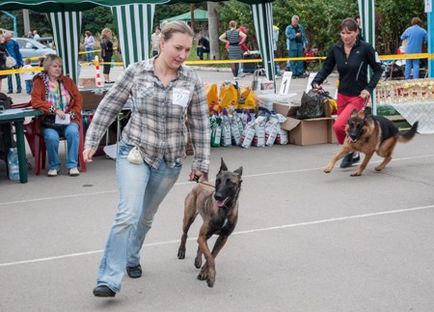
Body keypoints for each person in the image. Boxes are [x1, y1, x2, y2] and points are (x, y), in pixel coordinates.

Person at [83, 20, 210, 298]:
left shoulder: (192, 80)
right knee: (127, 213)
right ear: (161, 43)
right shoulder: (136, 72)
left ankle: (132, 256)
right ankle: (109, 279)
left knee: (145, 218)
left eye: (187, 50)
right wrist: (91, 140)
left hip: (170, 161)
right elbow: (109, 105)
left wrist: (201, 163)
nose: (182, 55)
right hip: (135, 153)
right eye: (178, 47)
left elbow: (200, 123)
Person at [311, 18, 383, 168]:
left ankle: (350, 151)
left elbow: (378, 70)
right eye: (343, 33)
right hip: (342, 94)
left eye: (349, 33)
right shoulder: (336, 49)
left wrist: (368, 89)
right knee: (344, 128)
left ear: (356, 32)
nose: (346, 36)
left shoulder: (366, 48)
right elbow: (326, 68)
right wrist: (316, 81)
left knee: (338, 126)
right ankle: (353, 151)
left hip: (358, 96)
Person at [30, 54, 83, 177]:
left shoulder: (67, 81)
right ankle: (54, 166)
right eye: (55, 66)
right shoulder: (39, 82)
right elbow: (36, 101)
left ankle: (72, 165)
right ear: (47, 67)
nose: (58, 69)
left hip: (68, 120)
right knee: (51, 137)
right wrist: (54, 109)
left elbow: (78, 99)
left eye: (60, 66)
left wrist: (73, 112)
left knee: (73, 132)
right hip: (49, 121)